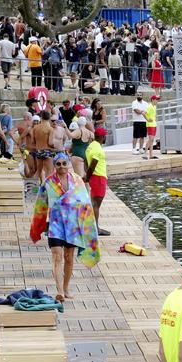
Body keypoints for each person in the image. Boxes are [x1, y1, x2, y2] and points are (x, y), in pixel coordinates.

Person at [29, 152, 100, 302]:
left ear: (69, 164)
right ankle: (59, 291)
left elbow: (85, 203)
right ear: (54, 166)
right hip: (55, 224)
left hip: (72, 225)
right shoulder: (48, 183)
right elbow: (40, 205)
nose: (61, 167)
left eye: (64, 163)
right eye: (58, 164)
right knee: (57, 256)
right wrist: (38, 226)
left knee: (69, 257)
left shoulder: (77, 181)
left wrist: (88, 226)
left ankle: (66, 288)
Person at [84, 127, 111, 236]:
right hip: (99, 178)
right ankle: (96, 229)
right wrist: (87, 176)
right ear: (102, 137)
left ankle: (92, 227)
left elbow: (86, 161)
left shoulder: (90, 146)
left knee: (94, 203)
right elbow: (92, 165)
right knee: (96, 205)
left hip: (94, 178)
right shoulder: (98, 149)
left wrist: (88, 176)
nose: (105, 138)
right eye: (105, 136)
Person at [144, 95, 160, 160]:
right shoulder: (149, 106)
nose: (157, 101)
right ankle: (145, 153)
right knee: (150, 139)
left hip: (154, 124)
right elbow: (143, 113)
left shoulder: (154, 106)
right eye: (156, 99)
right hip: (150, 125)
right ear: (153, 100)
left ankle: (151, 155)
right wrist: (147, 119)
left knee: (152, 140)